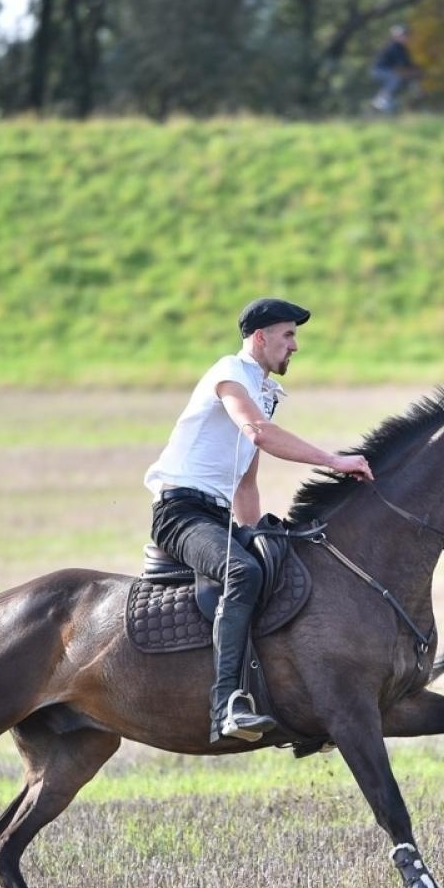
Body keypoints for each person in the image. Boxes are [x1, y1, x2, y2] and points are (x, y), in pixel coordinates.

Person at [145, 298, 375, 743]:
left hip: (216, 515)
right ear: (260, 338)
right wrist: (333, 461)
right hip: (180, 512)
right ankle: (226, 704)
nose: (295, 346)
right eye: (288, 335)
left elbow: (245, 486)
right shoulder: (228, 373)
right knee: (241, 570)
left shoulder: (263, 392)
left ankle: (300, 704)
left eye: (295, 336)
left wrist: (254, 533)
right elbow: (257, 433)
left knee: (283, 567)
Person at [370, 24, 418, 113]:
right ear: (396, 37)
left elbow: (408, 64)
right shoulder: (394, 47)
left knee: (404, 79)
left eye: (406, 35)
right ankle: (380, 99)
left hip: (386, 70)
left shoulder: (402, 48)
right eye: (403, 36)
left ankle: (388, 102)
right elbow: (401, 65)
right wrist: (412, 71)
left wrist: (416, 70)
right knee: (395, 79)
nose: (405, 37)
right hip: (379, 70)